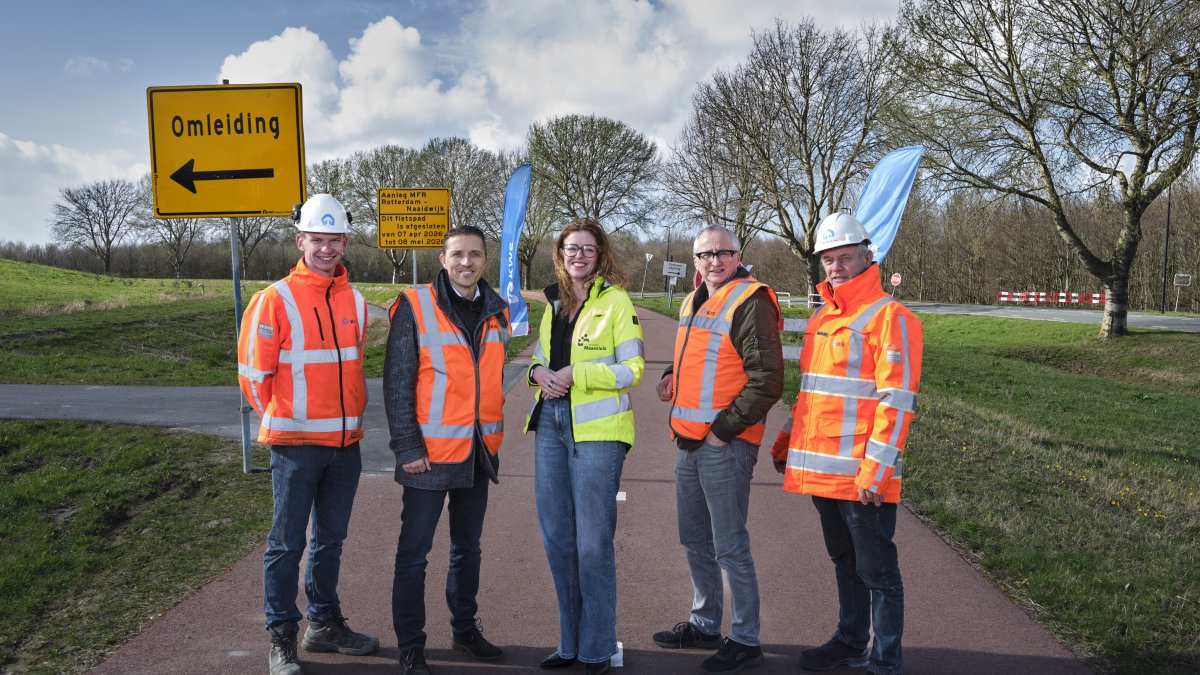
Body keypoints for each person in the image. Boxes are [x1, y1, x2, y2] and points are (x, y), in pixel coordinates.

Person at [770, 212, 923, 675]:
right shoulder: (822, 317)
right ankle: (852, 638)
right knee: (844, 560)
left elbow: (895, 402)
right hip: (822, 470)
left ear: (866, 255)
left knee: (878, 571)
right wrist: (785, 442)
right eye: (827, 259)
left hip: (861, 475)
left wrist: (876, 472)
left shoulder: (891, 317)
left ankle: (885, 658)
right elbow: (812, 394)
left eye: (843, 257)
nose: (834, 267)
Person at [237, 193, 379, 675]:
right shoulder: (272, 299)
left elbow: (352, 368)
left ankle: (324, 623)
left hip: (346, 445)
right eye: (317, 239)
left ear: (344, 241)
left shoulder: (356, 302)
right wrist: (289, 421)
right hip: (296, 448)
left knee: (330, 541)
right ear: (300, 240)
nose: (326, 248)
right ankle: (281, 637)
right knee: (286, 544)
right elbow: (253, 377)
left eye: (334, 239)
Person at [654, 224, 783, 674]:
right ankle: (705, 622)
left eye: (723, 253)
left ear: (738, 254)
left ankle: (746, 638)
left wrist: (722, 431)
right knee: (694, 539)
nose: (714, 260)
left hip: (723, 443)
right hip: (688, 439)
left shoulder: (751, 300)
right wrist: (672, 372)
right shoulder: (695, 298)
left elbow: (767, 380)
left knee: (729, 545)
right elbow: (702, 351)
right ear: (695, 260)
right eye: (705, 254)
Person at [385, 225, 510, 675]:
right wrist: (406, 446)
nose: (466, 263)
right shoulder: (415, 305)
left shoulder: (497, 309)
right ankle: (411, 646)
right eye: (458, 254)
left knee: (467, 549)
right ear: (443, 259)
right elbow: (398, 383)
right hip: (427, 455)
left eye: (475, 254)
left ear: (484, 260)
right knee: (414, 554)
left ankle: (463, 628)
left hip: (477, 451)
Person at [525, 218, 645, 675]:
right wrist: (538, 374)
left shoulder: (615, 303)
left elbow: (632, 369)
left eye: (588, 249)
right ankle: (568, 642)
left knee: (592, 542)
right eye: (571, 248)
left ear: (600, 255)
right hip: (551, 425)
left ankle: (597, 646)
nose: (578, 256)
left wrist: (579, 374)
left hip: (598, 431)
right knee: (557, 539)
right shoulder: (552, 303)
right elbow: (540, 357)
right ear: (560, 253)